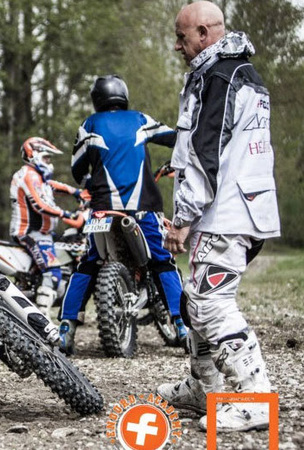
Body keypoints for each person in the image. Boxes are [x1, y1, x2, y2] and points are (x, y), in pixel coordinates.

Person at [157, 1, 278, 433]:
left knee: (210, 303)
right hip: (231, 207)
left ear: (205, 33)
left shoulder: (221, 78)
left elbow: (208, 154)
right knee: (195, 302)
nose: (177, 46)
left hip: (227, 212)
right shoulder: (228, 74)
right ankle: (203, 385)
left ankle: (257, 398)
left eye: (182, 37)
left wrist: (183, 218)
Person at [57, 74, 187, 355]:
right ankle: (181, 325)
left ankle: (66, 329)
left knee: (88, 264)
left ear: (96, 99)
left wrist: (93, 176)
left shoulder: (88, 125)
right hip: (144, 208)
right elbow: (176, 138)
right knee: (162, 261)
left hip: (102, 211)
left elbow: (78, 170)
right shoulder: (140, 119)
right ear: (123, 95)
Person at [9, 137, 88, 318]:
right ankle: (41, 318)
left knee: (67, 247)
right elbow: (40, 204)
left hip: (43, 233)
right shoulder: (28, 175)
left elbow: (53, 186)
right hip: (30, 233)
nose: (49, 163)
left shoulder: (37, 176)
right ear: (34, 155)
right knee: (53, 271)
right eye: (46, 158)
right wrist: (67, 214)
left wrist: (77, 192)